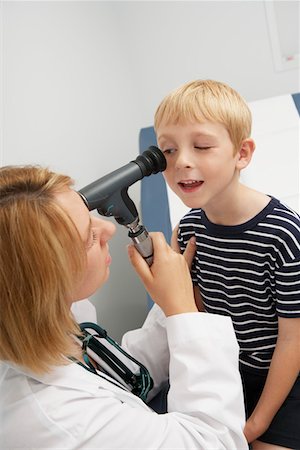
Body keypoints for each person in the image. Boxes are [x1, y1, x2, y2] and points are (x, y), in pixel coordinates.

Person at [0, 165, 247, 449]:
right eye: (89, 237)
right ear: (47, 282)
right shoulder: (61, 420)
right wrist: (182, 312)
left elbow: (112, 380)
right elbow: (214, 441)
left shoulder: (42, 319)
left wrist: (173, 304)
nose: (107, 229)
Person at [154, 79, 300, 450]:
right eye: (167, 150)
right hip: (227, 367)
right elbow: (197, 314)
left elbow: (292, 340)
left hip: (283, 372)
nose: (181, 161)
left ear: (242, 153)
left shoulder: (283, 234)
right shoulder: (187, 231)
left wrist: (258, 423)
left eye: (201, 146)